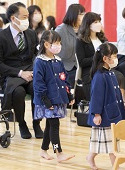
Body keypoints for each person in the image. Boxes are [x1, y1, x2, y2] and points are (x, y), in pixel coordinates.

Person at [0, 2, 43, 139]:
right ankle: (22, 123)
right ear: (14, 18)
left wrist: (34, 70)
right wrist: (20, 73)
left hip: (30, 72)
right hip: (11, 74)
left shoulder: (31, 34)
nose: (27, 20)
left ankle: (36, 123)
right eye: (24, 17)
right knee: (18, 92)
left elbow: (37, 55)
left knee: (37, 88)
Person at [33, 30, 75, 162]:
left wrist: (69, 95)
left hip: (58, 98)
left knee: (50, 125)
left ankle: (43, 150)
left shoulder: (58, 61)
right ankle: (59, 153)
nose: (58, 45)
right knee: (54, 124)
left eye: (59, 43)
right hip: (48, 100)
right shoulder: (40, 62)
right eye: (55, 43)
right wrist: (46, 100)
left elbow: (64, 79)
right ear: (46, 44)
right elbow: (38, 83)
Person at [87, 43, 125, 170]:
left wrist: (120, 105)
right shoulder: (99, 76)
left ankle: (92, 157)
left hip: (113, 113)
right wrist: (96, 114)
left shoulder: (110, 73)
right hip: (104, 115)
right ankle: (115, 166)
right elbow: (96, 97)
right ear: (105, 58)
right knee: (109, 144)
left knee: (109, 142)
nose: (116, 59)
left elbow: (115, 93)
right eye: (114, 56)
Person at [76, 12, 107, 101]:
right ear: (88, 24)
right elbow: (82, 62)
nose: (99, 24)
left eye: (99, 21)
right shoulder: (81, 41)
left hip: (104, 70)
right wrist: (97, 58)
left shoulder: (103, 39)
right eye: (96, 22)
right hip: (90, 73)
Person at [55, 4, 85, 87]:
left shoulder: (83, 29)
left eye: (83, 14)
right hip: (65, 67)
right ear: (73, 15)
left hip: (80, 66)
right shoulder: (61, 30)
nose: (83, 16)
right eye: (81, 14)